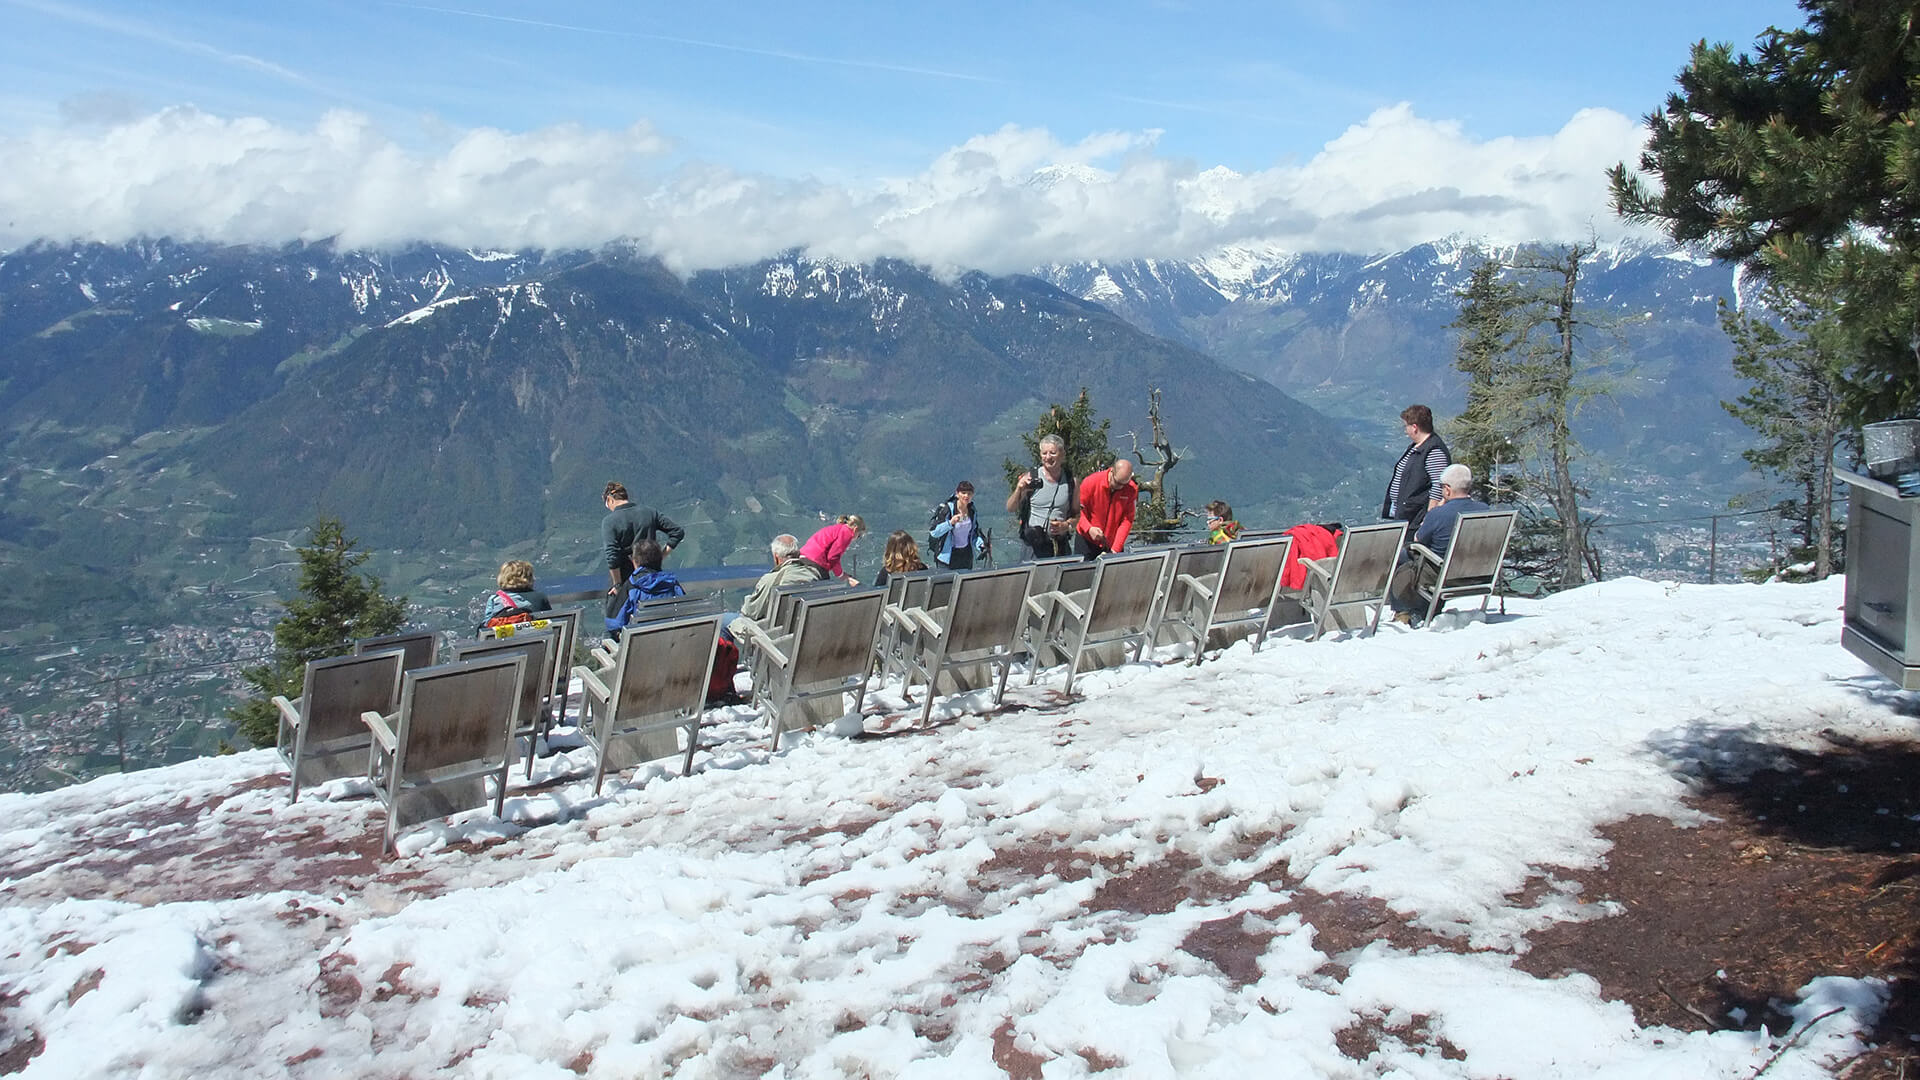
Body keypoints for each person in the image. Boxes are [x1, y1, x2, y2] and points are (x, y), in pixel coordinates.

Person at [1390, 464, 1488, 624]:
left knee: (1401, 556)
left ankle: (1403, 612)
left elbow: (1418, 540)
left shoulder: (1438, 514)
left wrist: (1434, 512)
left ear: (1448, 489)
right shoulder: (1485, 510)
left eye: (1442, 487)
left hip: (1444, 576)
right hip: (1479, 575)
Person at [601, 481, 685, 622]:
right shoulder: (649, 512)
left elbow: (612, 556)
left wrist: (617, 584)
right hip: (653, 577)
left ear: (610, 499)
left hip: (626, 579)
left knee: (617, 620)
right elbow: (677, 532)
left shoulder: (609, 521)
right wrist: (660, 556)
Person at [1381, 405, 1451, 536]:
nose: (1405, 431)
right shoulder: (1418, 447)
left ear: (1414, 427)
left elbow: (1438, 485)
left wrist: (1429, 518)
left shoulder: (1433, 451)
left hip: (1416, 519)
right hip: (1406, 516)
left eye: (1406, 426)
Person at [1007, 434, 1078, 560]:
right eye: (1044, 453)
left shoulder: (1071, 482)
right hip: (1033, 547)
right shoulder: (1031, 478)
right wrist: (1019, 489)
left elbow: (1077, 516)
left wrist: (1066, 526)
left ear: (1062, 454)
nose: (1048, 457)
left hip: (1060, 545)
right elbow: (1011, 508)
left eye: (1052, 453)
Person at [607, 538, 686, 633]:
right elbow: (685, 613)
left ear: (635, 562)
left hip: (640, 645)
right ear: (660, 559)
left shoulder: (632, 587)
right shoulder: (673, 585)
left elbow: (614, 623)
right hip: (672, 642)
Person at [1076, 458, 1138, 559]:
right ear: (1112, 471)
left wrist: (1115, 549)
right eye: (1118, 483)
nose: (1120, 487)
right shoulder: (1091, 482)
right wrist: (1089, 529)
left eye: (1124, 484)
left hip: (1111, 543)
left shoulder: (1131, 489)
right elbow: (1077, 511)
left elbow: (1126, 521)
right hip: (1086, 540)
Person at [477, 559, 552, 634]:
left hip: (503, 643)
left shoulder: (494, 599)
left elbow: (486, 626)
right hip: (535, 641)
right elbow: (550, 621)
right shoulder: (539, 597)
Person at [929, 480, 986, 570]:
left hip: (966, 556)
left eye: (969, 493)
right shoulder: (948, 509)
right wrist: (950, 523)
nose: (966, 496)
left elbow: (973, 534)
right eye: (963, 493)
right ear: (957, 494)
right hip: (947, 557)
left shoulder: (972, 511)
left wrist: (981, 545)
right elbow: (934, 532)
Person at [797, 515, 867, 586]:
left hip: (804, 556)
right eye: (859, 535)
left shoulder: (838, 528)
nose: (857, 538)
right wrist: (841, 575)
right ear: (855, 529)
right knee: (825, 589)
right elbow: (833, 557)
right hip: (816, 561)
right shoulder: (847, 532)